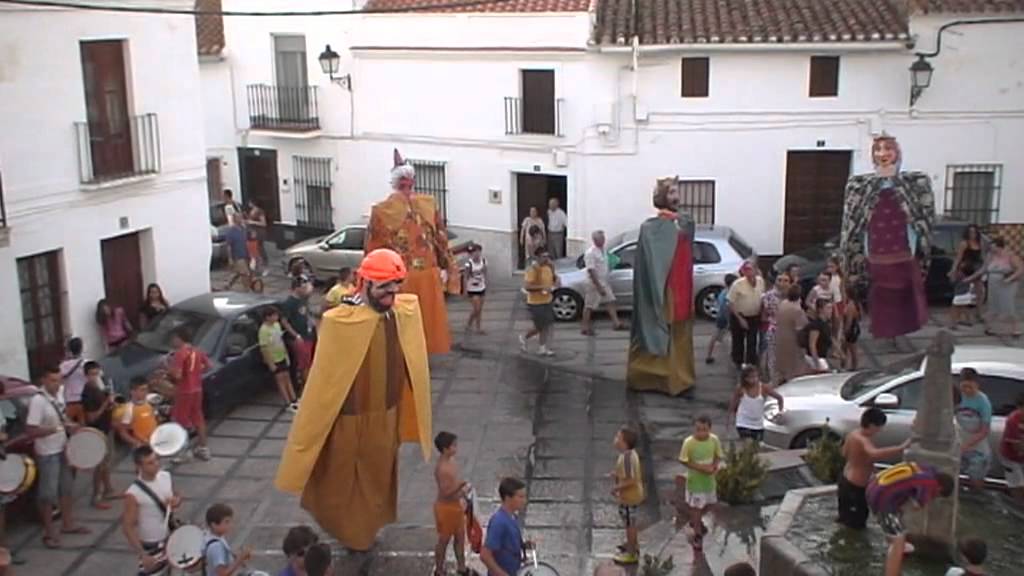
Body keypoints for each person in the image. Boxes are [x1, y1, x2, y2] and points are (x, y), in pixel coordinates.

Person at [276, 249, 433, 552]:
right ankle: (350, 535)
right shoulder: (340, 321)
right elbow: (325, 381)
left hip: (386, 417)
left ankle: (365, 533)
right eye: (385, 286)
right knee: (342, 484)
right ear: (365, 283)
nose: (392, 292)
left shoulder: (403, 311)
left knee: (377, 481)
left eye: (396, 284)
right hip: (349, 420)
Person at [840, 134, 934, 340]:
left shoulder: (915, 183)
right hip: (875, 256)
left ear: (897, 153)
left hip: (903, 254)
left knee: (904, 300)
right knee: (882, 301)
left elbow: (923, 217)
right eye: (878, 150)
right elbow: (852, 223)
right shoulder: (859, 186)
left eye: (887, 149)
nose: (883, 154)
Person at [365, 149, 456, 354]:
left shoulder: (381, 211)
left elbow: (373, 250)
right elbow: (441, 238)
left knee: (404, 323)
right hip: (421, 276)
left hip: (401, 277)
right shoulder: (428, 204)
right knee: (423, 320)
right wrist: (448, 267)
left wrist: (370, 281)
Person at [627, 177, 697, 396]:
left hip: (682, 286)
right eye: (671, 193)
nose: (676, 197)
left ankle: (681, 376)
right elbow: (650, 265)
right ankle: (656, 377)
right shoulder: (650, 229)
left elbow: (688, 234)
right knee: (661, 329)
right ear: (661, 197)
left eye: (677, 192)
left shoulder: (683, 222)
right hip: (664, 290)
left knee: (680, 331)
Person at [26, 365, 89, 548]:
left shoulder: (60, 393)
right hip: (47, 453)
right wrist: (51, 430)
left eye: (59, 379)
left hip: (63, 448)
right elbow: (30, 430)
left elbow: (63, 417)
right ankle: (49, 533)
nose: (57, 384)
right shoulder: (37, 401)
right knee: (47, 495)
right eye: (53, 380)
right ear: (43, 380)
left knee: (67, 488)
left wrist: (71, 426)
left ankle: (68, 524)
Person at [838, 408, 909, 530]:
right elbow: (873, 453)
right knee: (857, 523)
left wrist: (871, 469)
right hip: (856, 486)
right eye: (879, 427)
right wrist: (900, 448)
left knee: (845, 519)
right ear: (871, 425)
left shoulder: (852, 434)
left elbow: (844, 453)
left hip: (844, 480)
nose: (880, 430)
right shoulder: (863, 440)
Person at [123, 445, 181, 576]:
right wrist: (142, 554)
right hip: (151, 544)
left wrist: (176, 501)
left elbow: (176, 495)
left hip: (169, 537)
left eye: (156, 460)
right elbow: (128, 527)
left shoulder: (166, 476)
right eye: (150, 463)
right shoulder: (133, 493)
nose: (156, 464)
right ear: (139, 467)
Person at [867, 461, 955, 538]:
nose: (934, 497)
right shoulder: (929, 483)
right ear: (940, 488)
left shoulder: (927, 469)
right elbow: (917, 505)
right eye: (937, 495)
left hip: (873, 485)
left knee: (892, 521)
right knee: (895, 534)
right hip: (881, 496)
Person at [678, 415, 722, 551]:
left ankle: (696, 521)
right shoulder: (689, 443)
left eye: (704, 430)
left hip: (709, 482)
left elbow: (718, 455)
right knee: (696, 508)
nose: (701, 433)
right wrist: (701, 468)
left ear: (710, 429)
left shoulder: (714, 440)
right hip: (695, 483)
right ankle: (697, 534)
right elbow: (683, 460)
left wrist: (714, 466)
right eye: (698, 430)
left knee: (710, 504)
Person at [168, 327, 212, 461]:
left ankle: (184, 452)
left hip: (184, 391)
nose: (172, 341)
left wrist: (168, 370)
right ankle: (203, 448)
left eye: (174, 338)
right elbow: (209, 366)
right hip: (197, 389)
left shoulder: (179, 354)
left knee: (181, 420)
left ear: (179, 338)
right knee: (198, 417)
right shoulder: (197, 351)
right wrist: (196, 373)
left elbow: (178, 375)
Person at [966, 237, 1022, 337]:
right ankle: (989, 327)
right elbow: (983, 269)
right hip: (993, 284)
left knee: (1008, 306)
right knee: (993, 306)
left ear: (1000, 247)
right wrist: (971, 277)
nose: (992, 250)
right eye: (991, 248)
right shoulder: (991, 256)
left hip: (1007, 284)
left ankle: (1015, 329)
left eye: (994, 248)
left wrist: (1009, 279)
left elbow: (1020, 269)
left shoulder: (1010, 255)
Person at [433, 431, 470, 576]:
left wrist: (462, 494)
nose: (456, 448)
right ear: (445, 449)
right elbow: (445, 493)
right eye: (453, 446)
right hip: (446, 508)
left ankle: (461, 567)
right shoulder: (442, 469)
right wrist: (461, 486)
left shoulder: (451, 461)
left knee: (460, 537)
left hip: (455, 506)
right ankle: (439, 570)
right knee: (444, 540)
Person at [82, 361, 116, 509]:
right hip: (97, 431)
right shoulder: (88, 392)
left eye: (98, 373)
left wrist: (111, 404)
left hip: (107, 428)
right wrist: (104, 405)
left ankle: (108, 489)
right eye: (92, 374)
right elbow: (91, 417)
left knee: (106, 462)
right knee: (99, 465)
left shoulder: (100, 388)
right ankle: (96, 496)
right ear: (86, 376)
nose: (96, 377)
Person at [610, 426, 644, 565]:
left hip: (630, 497)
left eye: (618, 437)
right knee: (629, 522)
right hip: (628, 497)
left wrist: (616, 488)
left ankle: (631, 552)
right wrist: (616, 474)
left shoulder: (627, 458)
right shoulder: (627, 455)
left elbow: (631, 479)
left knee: (630, 525)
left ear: (624, 443)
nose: (615, 439)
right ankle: (632, 544)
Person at [581, 230, 625, 335]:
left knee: (610, 301)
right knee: (589, 305)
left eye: (603, 238)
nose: (604, 240)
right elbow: (591, 271)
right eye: (601, 239)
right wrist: (599, 286)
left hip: (604, 281)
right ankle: (585, 327)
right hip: (594, 283)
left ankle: (616, 323)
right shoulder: (590, 253)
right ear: (595, 240)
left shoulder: (604, 250)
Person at [481, 477, 528, 576]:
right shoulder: (499, 522)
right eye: (520, 497)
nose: (524, 500)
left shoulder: (513, 517)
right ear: (508, 498)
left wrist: (524, 545)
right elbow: (485, 555)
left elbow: (506, 544)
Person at [956, 368, 993, 490]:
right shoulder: (957, 397)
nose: (967, 390)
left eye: (970, 387)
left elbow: (984, 430)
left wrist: (966, 445)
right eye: (964, 386)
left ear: (977, 384)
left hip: (977, 449)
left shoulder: (983, 401)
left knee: (976, 480)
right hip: (959, 445)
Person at [729, 365, 783, 443]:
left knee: (756, 448)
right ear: (745, 379)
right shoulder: (741, 388)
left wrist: (779, 412)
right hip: (743, 422)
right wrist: (731, 418)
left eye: (755, 376)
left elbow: (779, 398)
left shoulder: (764, 388)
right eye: (750, 377)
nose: (754, 379)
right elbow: (733, 403)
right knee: (748, 445)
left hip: (758, 424)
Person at [520, 245, 558, 357]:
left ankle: (543, 347)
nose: (546, 259)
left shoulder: (549, 266)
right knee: (540, 326)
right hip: (535, 302)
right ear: (537, 257)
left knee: (547, 324)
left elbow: (553, 278)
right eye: (543, 257)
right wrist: (542, 288)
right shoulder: (532, 269)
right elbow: (527, 286)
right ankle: (524, 337)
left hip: (547, 300)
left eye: (547, 256)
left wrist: (556, 282)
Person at [259, 307, 299, 412]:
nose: (276, 318)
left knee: (287, 377)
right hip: (274, 358)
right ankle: (288, 403)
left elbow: (280, 340)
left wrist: (286, 354)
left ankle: (294, 399)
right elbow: (264, 348)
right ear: (268, 317)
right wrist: (270, 363)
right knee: (281, 380)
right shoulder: (263, 331)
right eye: (274, 316)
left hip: (282, 355)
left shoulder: (276, 325)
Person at [281, 276, 317, 390]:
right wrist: (295, 335)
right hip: (299, 338)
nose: (306, 289)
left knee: (309, 362)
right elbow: (284, 321)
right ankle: (306, 387)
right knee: (303, 364)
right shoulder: (289, 303)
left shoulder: (303, 298)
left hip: (309, 334)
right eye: (303, 287)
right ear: (296, 288)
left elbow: (311, 289)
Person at [728, 262, 764, 368]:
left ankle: (751, 362)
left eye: (750, 269)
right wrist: (740, 319)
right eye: (745, 270)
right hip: (739, 316)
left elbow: (762, 296)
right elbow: (730, 303)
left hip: (754, 316)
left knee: (752, 340)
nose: (748, 272)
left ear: (755, 270)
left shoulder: (760, 281)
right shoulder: (737, 284)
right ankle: (738, 362)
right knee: (738, 340)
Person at [949, 224, 986, 327]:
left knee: (978, 294)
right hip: (965, 271)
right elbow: (958, 258)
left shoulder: (980, 243)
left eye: (974, 232)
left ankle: (977, 315)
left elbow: (982, 257)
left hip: (976, 271)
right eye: (970, 232)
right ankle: (954, 321)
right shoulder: (964, 243)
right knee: (961, 296)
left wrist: (983, 269)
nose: (972, 234)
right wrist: (953, 271)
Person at [203, 503, 253, 576]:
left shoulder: (216, 537)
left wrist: (237, 556)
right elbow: (222, 574)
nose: (230, 525)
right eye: (226, 522)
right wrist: (239, 559)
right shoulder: (216, 546)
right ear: (214, 525)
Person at [760, 272, 791, 382]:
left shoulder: (793, 295)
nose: (782, 283)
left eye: (786, 280)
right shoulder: (768, 296)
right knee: (773, 358)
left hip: (789, 332)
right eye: (780, 280)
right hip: (775, 330)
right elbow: (764, 315)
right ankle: (773, 380)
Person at [775, 285, 808, 383]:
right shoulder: (797, 310)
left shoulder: (783, 304)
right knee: (794, 366)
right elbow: (800, 329)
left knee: (782, 364)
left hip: (780, 337)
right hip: (792, 340)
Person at [115, 377, 159, 448]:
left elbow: (153, 420)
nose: (145, 392)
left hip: (156, 441)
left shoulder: (149, 402)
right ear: (133, 391)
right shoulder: (128, 409)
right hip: (144, 446)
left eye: (146, 389)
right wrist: (136, 443)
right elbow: (123, 432)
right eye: (142, 390)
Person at [705, 274, 736, 365]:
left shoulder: (723, 292)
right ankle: (731, 354)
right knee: (728, 337)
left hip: (720, 317)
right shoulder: (729, 294)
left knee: (715, 336)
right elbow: (726, 309)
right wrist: (729, 321)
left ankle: (709, 355)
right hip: (725, 318)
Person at [999, 393, 1024, 501]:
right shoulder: (1013, 420)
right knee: (1017, 485)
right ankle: (1019, 507)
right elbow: (1017, 447)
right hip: (1010, 457)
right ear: (1019, 408)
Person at [60, 336, 88, 424]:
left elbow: (60, 380)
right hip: (84, 400)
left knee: (71, 428)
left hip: (69, 401)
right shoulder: (87, 363)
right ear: (81, 348)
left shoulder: (63, 365)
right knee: (84, 428)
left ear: (70, 349)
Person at [803, 299, 834, 373]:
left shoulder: (826, 324)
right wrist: (816, 363)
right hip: (815, 359)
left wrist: (840, 352)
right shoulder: (816, 325)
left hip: (822, 357)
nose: (831, 311)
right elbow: (812, 345)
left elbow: (831, 338)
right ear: (821, 310)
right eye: (828, 308)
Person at [223, 214, 251, 292]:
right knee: (244, 273)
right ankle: (246, 289)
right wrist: (230, 258)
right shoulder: (231, 231)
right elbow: (228, 246)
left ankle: (228, 284)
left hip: (245, 254)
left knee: (238, 273)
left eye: (241, 217)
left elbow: (246, 241)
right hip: (237, 256)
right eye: (239, 218)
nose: (241, 219)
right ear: (235, 220)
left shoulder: (243, 229)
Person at [463, 244, 488, 334]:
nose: (476, 254)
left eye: (478, 251)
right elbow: (465, 277)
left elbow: (485, 273)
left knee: (480, 309)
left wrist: (486, 283)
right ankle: (470, 323)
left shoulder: (484, 261)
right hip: (472, 289)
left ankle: (478, 327)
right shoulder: (468, 264)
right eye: (474, 252)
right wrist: (465, 290)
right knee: (476, 308)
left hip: (481, 287)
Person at [246, 200, 269, 277]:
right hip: (253, 234)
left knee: (261, 249)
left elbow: (263, 223)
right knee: (255, 250)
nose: (248, 204)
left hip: (259, 233)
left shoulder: (260, 211)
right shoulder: (251, 211)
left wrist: (252, 222)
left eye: (250, 202)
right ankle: (256, 267)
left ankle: (266, 267)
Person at [843, 285, 863, 371]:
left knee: (851, 349)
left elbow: (849, 320)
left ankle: (854, 367)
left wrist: (845, 331)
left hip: (851, 329)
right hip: (855, 327)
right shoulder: (856, 303)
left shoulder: (850, 305)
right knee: (850, 348)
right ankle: (852, 365)